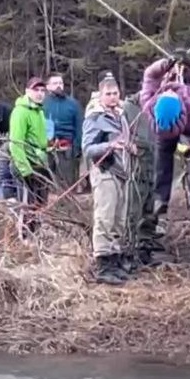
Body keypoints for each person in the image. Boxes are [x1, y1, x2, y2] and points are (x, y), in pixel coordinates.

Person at [140, 49, 190, 229]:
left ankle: (160, 199)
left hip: (170, 130)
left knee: (163, 155)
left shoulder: (147, 104)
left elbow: (150, 74)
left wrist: (165, 65)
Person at [82, 73, 135, 285]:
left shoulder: (120, 115)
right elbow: (87, 148)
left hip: (123, 172)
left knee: (118, 220)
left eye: (115, 93)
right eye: (108, 94)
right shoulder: (94, 118)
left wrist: (130, 147)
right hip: (104, 171)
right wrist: (109, 146)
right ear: (100, 95)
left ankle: (115, 260)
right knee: (104, 218)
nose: (112, 97)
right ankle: (103, 264)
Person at [122, 90, 163, 267]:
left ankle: (145, 250)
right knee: (132, 212)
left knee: (150, 212)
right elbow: (118, 136)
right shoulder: (128, 109)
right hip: (135, 169)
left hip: (155, 167)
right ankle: (128, 253)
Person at [9, 77, 50, 235]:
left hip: (40, 165)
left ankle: (36, 236)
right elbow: (15, 143)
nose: (40, 94)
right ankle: (24, 238)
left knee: (40, 204)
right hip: (27, 166)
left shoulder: (39, 111)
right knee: (27, 204)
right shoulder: (20, 112)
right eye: (36, 90)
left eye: (42, 90)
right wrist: (25, 170)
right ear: (27, 92)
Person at [43, 73, 83, 190]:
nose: (59, 86)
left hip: (66, 149)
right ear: (48, 86)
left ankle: (66, 208)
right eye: (55, 83)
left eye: (60, 83)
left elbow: (79, 127)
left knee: (66, 187)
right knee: (44, 185)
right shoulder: (42, 104)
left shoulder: (73, 104)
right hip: (46, 149)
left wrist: (76, 149)